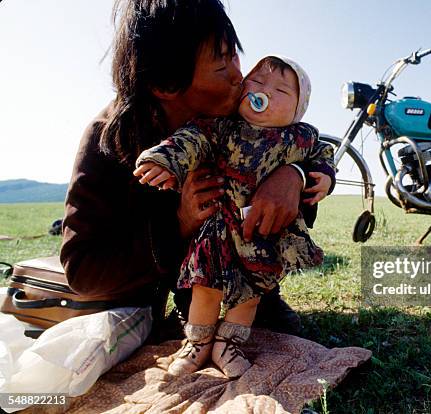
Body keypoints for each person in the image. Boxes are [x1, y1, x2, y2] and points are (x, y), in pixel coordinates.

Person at [60, 0, 335, 342]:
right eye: (221, 68)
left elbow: (302, 145)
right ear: (166, 84)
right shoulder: (108, 143)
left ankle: (260, 295)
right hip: (170, 288)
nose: (240, 76)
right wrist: (178, 223)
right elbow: (83, 271)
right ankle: (192, 304)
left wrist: (294, 175)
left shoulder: (240, 114)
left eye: (234, 54)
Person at [134, 56, 334, 377]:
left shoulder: (300, 137)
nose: (263, 91)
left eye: (280, 90)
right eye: (255, 82)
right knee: (206, 285)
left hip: (260, 236)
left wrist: (323, 175)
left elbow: (322, 155)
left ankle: (228, 344)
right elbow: (190, 141)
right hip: (217, 228)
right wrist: (165, 159)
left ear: (297, 110)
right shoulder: (221, 128)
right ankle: (197, 344)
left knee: (251, 293)